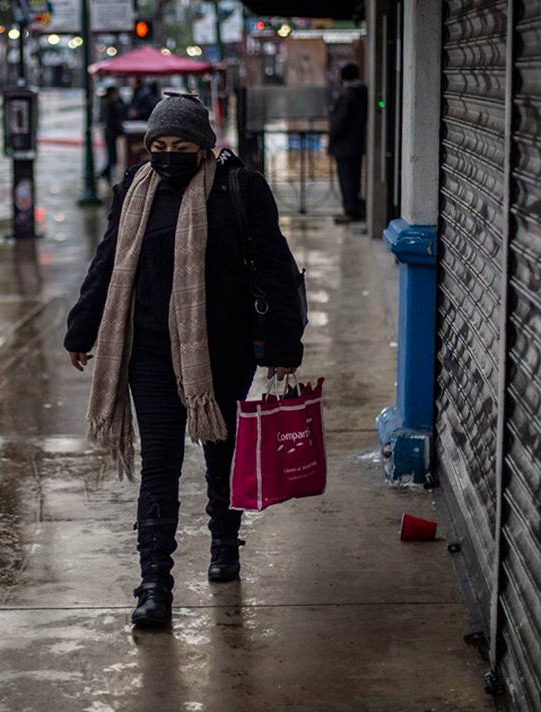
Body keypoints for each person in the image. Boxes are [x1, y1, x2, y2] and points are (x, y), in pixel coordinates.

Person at [65, 93, 305, 628]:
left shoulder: (239, 189)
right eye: (158, 145)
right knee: (160, 466)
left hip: (222, 351)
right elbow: (109, 260)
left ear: (203, 147)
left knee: (222, 457)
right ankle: (155, 585)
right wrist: (81, 329)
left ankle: (224, 541)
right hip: (146, 350)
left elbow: (274, 267)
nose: (167, 155)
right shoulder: (135, 189)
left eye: (180, 146)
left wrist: (284, 347)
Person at [328, 62, 368, 223]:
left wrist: (332, 134)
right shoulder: (362, 92)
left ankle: (351, 210)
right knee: (354, 177)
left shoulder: (347, 94)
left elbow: (339, 121)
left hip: (344, 145)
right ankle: (355, 208)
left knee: (346, 179)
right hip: (356, 144)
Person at [99, 86, 126, 183]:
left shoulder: (110, 102)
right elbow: (112, 120)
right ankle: (104, 174)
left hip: (110, 133)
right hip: (110, 133)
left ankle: (105, 174)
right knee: (112, 156)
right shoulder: (110, 104)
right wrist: (121, 130)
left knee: (112, 156)